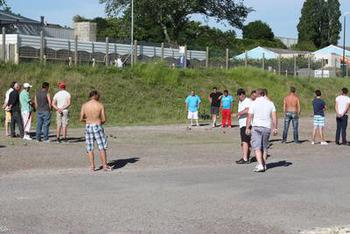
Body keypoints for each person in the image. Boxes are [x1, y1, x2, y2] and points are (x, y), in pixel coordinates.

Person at [246, 89, 278, 172]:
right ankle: (263, 164)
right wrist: (275, 127)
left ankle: (260, 165)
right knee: (264, 147)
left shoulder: (254, 103)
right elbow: (274, 116)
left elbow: (249, 116)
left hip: (256, 126)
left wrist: (247, 127)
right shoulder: (270, 103)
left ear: (258, 94)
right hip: (267, 127)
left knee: (257, 147)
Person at [80, 90, 112, 172]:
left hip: (88, 126)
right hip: (97, 125)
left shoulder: (84, 105)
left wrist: (88, 120)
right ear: (96, 96)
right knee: (102, 147)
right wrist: (98, 121)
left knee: (90, 147)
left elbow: (81, 119)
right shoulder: (100, 105)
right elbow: (104, 119)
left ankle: (92, 166)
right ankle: (104, 166)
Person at [236, 88, 252, 164]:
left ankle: (245, 159)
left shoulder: (248, 100)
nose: (240, 95)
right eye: (239, 94)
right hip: (242, 124)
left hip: (247, 124)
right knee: (245, 142)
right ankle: (246, 156)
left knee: (245, 141)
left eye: (242, 94)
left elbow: (248, 109)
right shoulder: (240, 102)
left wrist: (239, 113)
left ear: (244, 94)